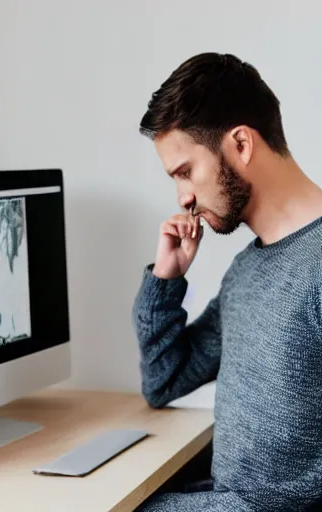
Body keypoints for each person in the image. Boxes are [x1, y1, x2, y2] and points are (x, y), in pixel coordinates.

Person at [132, 52, 322, 511]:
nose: (183, 198)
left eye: (185, 172)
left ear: (240, 144)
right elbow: (164, 381)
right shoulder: (247, 271)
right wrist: (165, 281)